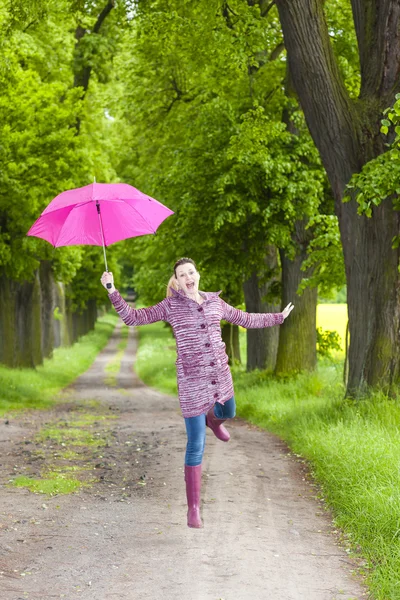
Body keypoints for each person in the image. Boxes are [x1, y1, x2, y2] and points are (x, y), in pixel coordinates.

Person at [101, 258, 294, 529]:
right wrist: (112, 289)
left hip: (220, 378)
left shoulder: (216, 302)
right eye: (182, 275)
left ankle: (214, 420)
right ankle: (193, 509)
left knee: (229, 412)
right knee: (196, 445)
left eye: (191, 272)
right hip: (192, 382)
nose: (188, 277)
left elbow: (245, 319)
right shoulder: (171, 306)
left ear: (198, 275)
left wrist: (278, 317)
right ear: (177, 282)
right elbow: (133, 317)